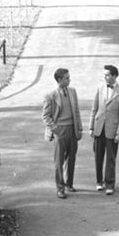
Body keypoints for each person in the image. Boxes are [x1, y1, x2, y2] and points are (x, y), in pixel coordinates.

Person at [41, 67, 83, 198]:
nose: (69, 80)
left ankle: (69, 184)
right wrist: (56, 129)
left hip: (72, 129)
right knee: (58, 161)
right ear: (59, 80)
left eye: (69, 78)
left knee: (71, 159)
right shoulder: (51, 96)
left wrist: (80, 128)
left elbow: (76, 111)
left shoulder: (72, 92)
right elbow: (45, 116)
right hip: (60, 130)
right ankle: (60, 188)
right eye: (66, 78)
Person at [89, 63, 119, 195]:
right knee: (98, 157)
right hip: (99, 127)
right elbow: (94, 108)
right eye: (104, 75)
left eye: (107, 75)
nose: (105, 77)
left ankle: (110, 184)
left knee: (110, 158)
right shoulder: (100, 88)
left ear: (114, 76)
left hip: (112, 130)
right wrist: (91, 127)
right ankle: (99, 181)